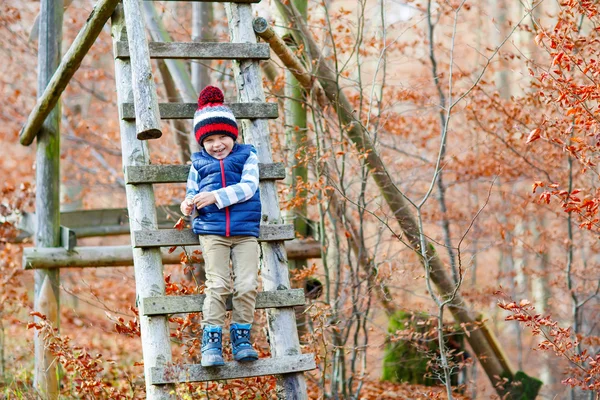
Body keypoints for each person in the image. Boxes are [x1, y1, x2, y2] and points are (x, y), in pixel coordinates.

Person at [180, 85, 261, 367]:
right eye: (210, 139)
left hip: (245, 233)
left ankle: (241, 338)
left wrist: (215, 196)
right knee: (218, 285)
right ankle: (211, 343)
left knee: (247, 284)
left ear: (233, 135)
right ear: (201, 142)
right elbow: (191, 191)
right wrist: (188, 204)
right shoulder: (199, 163)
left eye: (222, 136)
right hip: (212, 232)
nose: (217, 144)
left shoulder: (247, 156)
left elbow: (249, 187)